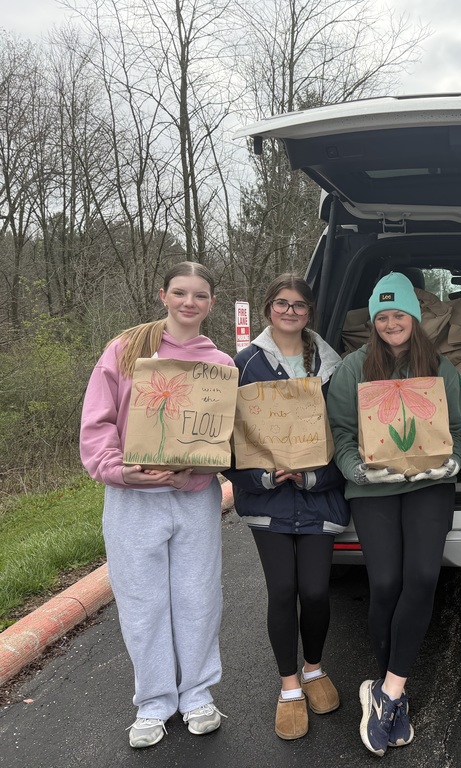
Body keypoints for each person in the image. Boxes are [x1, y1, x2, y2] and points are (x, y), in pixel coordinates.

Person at [79, 261, 232, 748]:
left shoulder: (221, 365)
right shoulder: (126, 351)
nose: (190, 302)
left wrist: (200, 469)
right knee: (143, 603)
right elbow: (97, 423)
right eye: (181, 292)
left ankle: (197, 694)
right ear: (162, 295)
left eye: (200, 295)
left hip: (192, 500)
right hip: (132, 501)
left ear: (212, 303)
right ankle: (154, 701)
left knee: (197, 597)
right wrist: (121, 469)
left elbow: (226, 439)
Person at [326, 272, 461, 758]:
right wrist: (359, 474)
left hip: (430, 485)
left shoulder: (441, 369)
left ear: (414, 317)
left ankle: (386, 692)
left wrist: (454, 461)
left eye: (399, 314)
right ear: (373, 321)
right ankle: (395, 694)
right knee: (385, 583)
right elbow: (341, 433)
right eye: (382, 316)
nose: (391, 323)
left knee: (423, 576)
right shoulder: (352, 369)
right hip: (374, 490)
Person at [224, 274, 348, 741]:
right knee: (283, 590)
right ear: (267, 308)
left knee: (315, 592)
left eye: (299, 305)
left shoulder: (332, 365)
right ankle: (290, 686)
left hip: (319, 496)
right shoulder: (244, 365)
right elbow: (227, 442)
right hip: (268, 499)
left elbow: (347, 437)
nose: (291, 311)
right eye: (282, 303)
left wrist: (317, 476)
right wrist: (258, 477)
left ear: (309, 312)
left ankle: (314, 669)